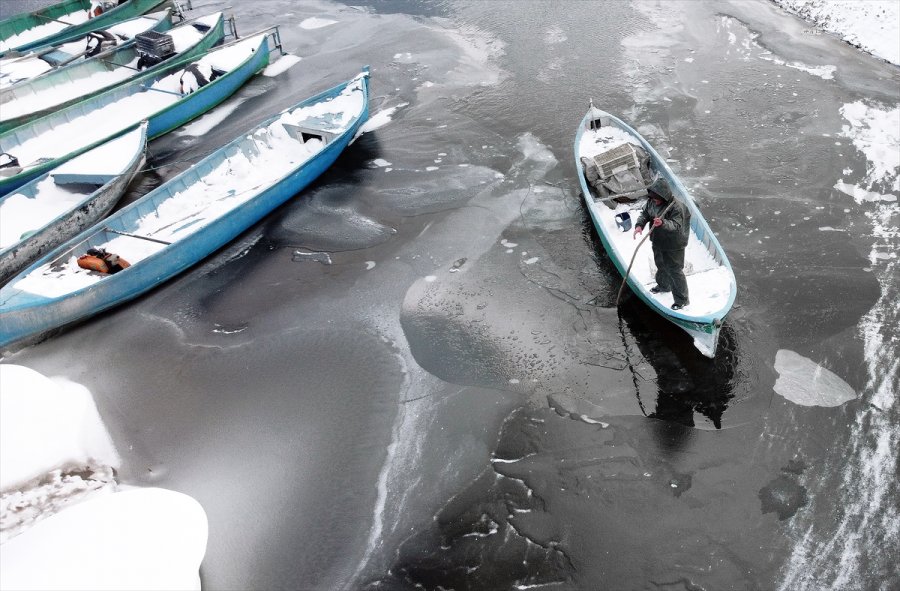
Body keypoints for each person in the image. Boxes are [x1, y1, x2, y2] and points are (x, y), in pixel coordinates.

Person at [632, 179, 691, 310]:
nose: (654, 201)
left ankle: (682, 300)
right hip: (658, 240)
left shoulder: (677, 207)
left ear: (664, 197)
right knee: (660, 264)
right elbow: (645, 213)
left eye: (657, 199)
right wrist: (639, 225)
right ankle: (664, 286)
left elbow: (676, 225)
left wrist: (663, 223)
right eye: (653, 198)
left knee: (675, 270)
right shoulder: (651, 201)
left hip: (674, 244)